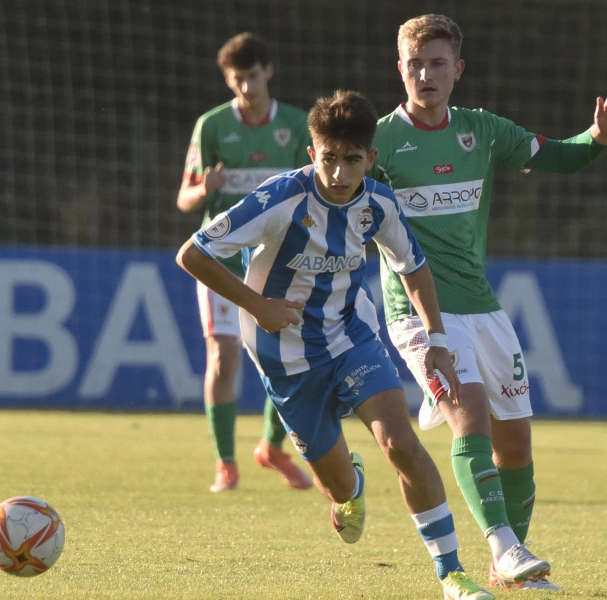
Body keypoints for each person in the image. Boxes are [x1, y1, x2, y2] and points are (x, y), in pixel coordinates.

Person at [178, 89, 501, 600]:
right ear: (312, 153)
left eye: (352, 161)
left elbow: (412, 267)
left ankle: (452, 575)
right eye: (329, 159)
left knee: (401, 444)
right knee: (342, 497)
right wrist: (257, 306)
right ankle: (348, 486)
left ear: (370, 159)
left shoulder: (379, 203)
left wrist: (437, 338)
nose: (339, 173)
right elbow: (192, 254)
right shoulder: (279, 198)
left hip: (352, 338)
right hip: (284, 359)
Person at [371, 14, 607, 592]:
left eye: (437, 63)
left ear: (458, 70)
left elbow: (556, 156)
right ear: (400, 70)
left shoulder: (482, 131)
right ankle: (506, 547)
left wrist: (599, 137)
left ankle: (507, 564)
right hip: (418, 312)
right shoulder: (381, 139)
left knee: (515, 439)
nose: (425, 73)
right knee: (472, 413)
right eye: (414, 64)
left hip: (482, 307)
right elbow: (333, 187)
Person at [177, 32, 313, 493]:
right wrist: (205, 189)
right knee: (224, 356)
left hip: (279, 263)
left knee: (287, 357)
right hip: (221, 263)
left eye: (252, 77)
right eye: (237, 80)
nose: (246, 89)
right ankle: (226, 463)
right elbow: (185, 199)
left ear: (268, 71)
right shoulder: (212, 127)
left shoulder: (296, 126)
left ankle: (273, 448)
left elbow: (311, 193)